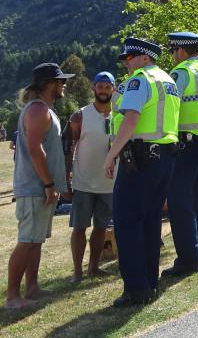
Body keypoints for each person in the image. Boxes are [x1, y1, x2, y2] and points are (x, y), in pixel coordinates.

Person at [103, 37, 179, 307]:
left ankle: (136, 288)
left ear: (145, 57)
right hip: (165, 156)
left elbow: (131, 118)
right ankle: (150, 281)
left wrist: (111, 155)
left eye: (130, 57)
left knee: (127, 220)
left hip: (140, 158)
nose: (126, 62)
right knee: (149, 220)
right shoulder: (167, 79)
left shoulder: (140, 79)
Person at [6, 63, 74, 309]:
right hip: (35, 187)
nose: (63, 85)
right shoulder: (37, 110)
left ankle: (32, 287)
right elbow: (36, 149)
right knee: (27, 240)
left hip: (42, 188)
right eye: (60, 81)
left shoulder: (44, 109)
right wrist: (48, 183)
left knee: (36, 240)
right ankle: (12, 296)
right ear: (49, 84)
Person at [162, 32, 198, 277]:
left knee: (179, 202)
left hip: (185, 145)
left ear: (181, 51)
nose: (173, 57)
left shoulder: (182, 73)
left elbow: (168, 105)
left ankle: (189, 258)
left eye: (173, 51)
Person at [66, 71, 116, 284]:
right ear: (93, 88)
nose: (103, 90)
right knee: (79, 227)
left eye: (107, 87)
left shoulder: (120, 115)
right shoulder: (80, 116)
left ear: (113, 89)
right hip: (83, 181)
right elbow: (68, 148)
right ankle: (77, 272)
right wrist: (65, 179)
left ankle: (93, 267)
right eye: (100, 86)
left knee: (101, 227)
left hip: (110, 182)